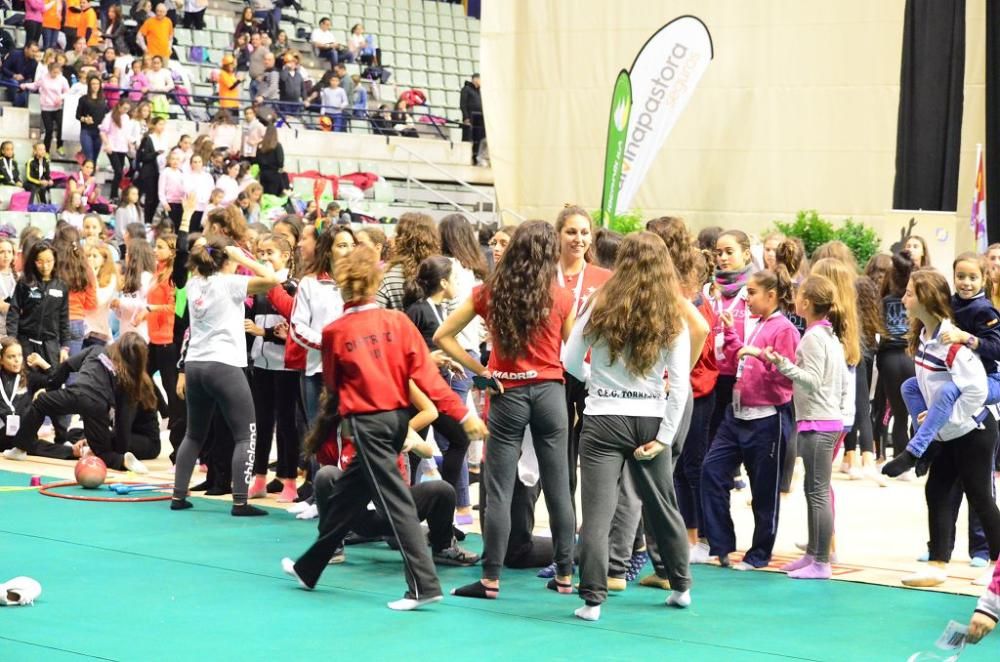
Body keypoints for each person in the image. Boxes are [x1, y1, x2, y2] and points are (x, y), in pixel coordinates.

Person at [280, 246, 487, 611]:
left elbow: (333, 386)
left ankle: (423, 586)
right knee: (345, 500)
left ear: (342, 285)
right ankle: (308, 568)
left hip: (366, 423)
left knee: (397, 505)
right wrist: (464, 415)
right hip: (397, 421)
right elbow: (427, 378)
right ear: (375, 282)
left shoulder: (335, 331)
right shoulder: (398, 321)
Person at [435, 221, 577, 600]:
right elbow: (574, 353)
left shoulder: (490, 293)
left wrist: (481, 371)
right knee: (559, 488)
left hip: (506, 391)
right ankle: (565, 576)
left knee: (497, 490)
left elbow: (442, 336)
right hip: (550, 392)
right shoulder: (562, 298)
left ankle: (490, 579)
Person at [564, 231, 692, 621]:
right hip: (651, 419)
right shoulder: (673, 313)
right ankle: (681, 586)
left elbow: (569, 360)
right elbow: (680, 384)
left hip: (602, 418)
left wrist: (597, 382)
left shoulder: (597, 302)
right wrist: (665, 436)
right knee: (663, 507)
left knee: (597, 512)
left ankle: (591, 600)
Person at [896, 269, 1000, 588]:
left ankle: (997, 565)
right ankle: (938, 563)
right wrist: (927, 414)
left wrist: (947, 415)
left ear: (925, 299)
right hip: (949, 431)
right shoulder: (925, 336)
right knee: (937, 491)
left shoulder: (950, 340)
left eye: (910, 293)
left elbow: (976, 389)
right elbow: (924, 385)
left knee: (980, 496)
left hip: (975, 430)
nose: (903, 298)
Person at [170, 237, 279, 516]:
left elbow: (197, 260)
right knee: (246, 434)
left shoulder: (195, 283)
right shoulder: (231, 283)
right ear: (227, 260)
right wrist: (242, 257)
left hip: (195, 364)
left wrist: (211, 250)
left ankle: (178, 496)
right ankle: (240, 502)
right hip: (225, 365)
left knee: (194, 434)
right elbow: (271, 279)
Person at [754, 275, 853, 580]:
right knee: (814, 490)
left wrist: (780, 363)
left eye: (797, 296)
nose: (794, 299)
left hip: (818, 422)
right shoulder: (827, 335)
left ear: (807, 303)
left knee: (818, 491)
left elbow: (811, 379)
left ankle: (821, 560)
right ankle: (814, 554)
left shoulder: (813, 338)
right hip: (824, 419)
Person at [700, 268, 799, 569]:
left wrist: (759, 357)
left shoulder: (784, 330)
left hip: (766, 418)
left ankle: (759, 553)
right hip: (736, 414)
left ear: (771, 295)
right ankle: (720, 545)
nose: (747, 298)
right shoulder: (755, 325)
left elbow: (788, 377)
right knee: (711, 471)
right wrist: (730, 335)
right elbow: (734, 359)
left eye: (752, 292)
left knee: (764, 491)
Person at [885, 252, 1000, 477]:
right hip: (960, 376)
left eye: (973, 278)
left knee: (948, 390)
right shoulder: (952, 303)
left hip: (990, 378)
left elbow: (997, 349)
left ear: (984, 278)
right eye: (960, 276)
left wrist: (966, 338)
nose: (966, 283)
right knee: (909, 386)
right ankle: (927, 441)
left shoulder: (984, 310)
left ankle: (916, 449)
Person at [3, 332, 157, 471]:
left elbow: (67, 365)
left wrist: (52, 388)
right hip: (99, 406)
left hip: (77, 394)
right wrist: (121, 450)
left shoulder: (98, 350)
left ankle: (20, 448)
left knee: (40, 402)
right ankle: (122, 460)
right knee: (101, 452)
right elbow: (123, 419)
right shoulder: (128, 378)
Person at [555, 207, 612, 507]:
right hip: (553, 372)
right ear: (558, 234)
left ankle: (592, 528)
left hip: (593, 372)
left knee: (593, 451)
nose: (579, 239)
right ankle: (564, 524)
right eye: (571, 232)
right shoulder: (545, 274)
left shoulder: (605, 278)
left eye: (584, 232)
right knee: (559, 451)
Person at [247, 233, 300, 502]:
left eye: (270, 252)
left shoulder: (293, 285)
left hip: (287, 366)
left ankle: (289, 480)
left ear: (286, 255)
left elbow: (290, 328)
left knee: (287, 424)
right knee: (262, 422)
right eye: (261, 252)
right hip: (262, 364)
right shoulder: (258, 286)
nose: (265, 257)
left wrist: (264, 332)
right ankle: (258, 479)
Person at [289, 225, 354, 423]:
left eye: (353, 245)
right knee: (318, 436)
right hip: (318, 370)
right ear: (328, 250)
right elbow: (297, 327)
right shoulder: (310, 283)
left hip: (354, 370)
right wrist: (330, 344)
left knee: (351, 434)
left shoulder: (361, 284)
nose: (350, 250)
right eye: (342, 245)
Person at [876, 250, 917, 469]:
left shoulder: (886, 300)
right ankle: (918, 460)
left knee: (899, 415)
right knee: (916, 413)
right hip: (911, 356)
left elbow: (880, 328)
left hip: (890, 357)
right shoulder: (917, 299)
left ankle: (900, 459)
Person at [20, 62, 70, 157]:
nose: (56, 74)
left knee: (61, 127)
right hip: (46, 108)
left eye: (57, 72)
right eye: (54, 72)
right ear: (49, 70)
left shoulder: (62, 79)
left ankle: (60, 146)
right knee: (49, 130)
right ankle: (46, 151)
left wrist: (61, 97)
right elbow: (35, 86)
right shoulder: (43, 78)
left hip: (58, 108)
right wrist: (25, 85)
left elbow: (67, 91)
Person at [99, 99, 135, 201]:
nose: (125, 111)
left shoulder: (126, 118)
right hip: (112, 147)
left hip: (122, 148)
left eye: (127, 109)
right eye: (124, 108)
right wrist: (107, 144)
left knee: (120, 172)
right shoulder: (110, 116)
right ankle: (113, 195)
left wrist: (130, 144)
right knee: (118, 171)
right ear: (119, 106)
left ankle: (117, 193)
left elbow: (126, 134)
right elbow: (103, 132)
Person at [1, 42, 40, 108]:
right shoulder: (15, 54)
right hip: (8, 78)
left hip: (22, 81)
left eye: (36, 52)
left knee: (28, 85)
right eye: (33, 51)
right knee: (14, 82)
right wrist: (14, 75)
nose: (34, 54)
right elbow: (4, 68)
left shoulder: (34, 62)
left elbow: (30, 77)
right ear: (26, 49)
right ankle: (17, 105)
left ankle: (19, 104)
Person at [254, 124, 287, 196]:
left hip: (263, 174)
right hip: (274, 175)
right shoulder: (277, 145)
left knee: (264, 195)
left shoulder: (260, 145)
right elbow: (280, 162)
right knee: (272, 197)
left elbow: (256, 160)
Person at [460, 74, 484, 166]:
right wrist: (466, 117)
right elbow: (463, 104)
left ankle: (475, 158)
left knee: (478, 139)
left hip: (479, 118)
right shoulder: (466, 89)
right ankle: (466, 158)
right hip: (470, 117)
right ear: (475, 79)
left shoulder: (480, 91)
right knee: (468, 139)